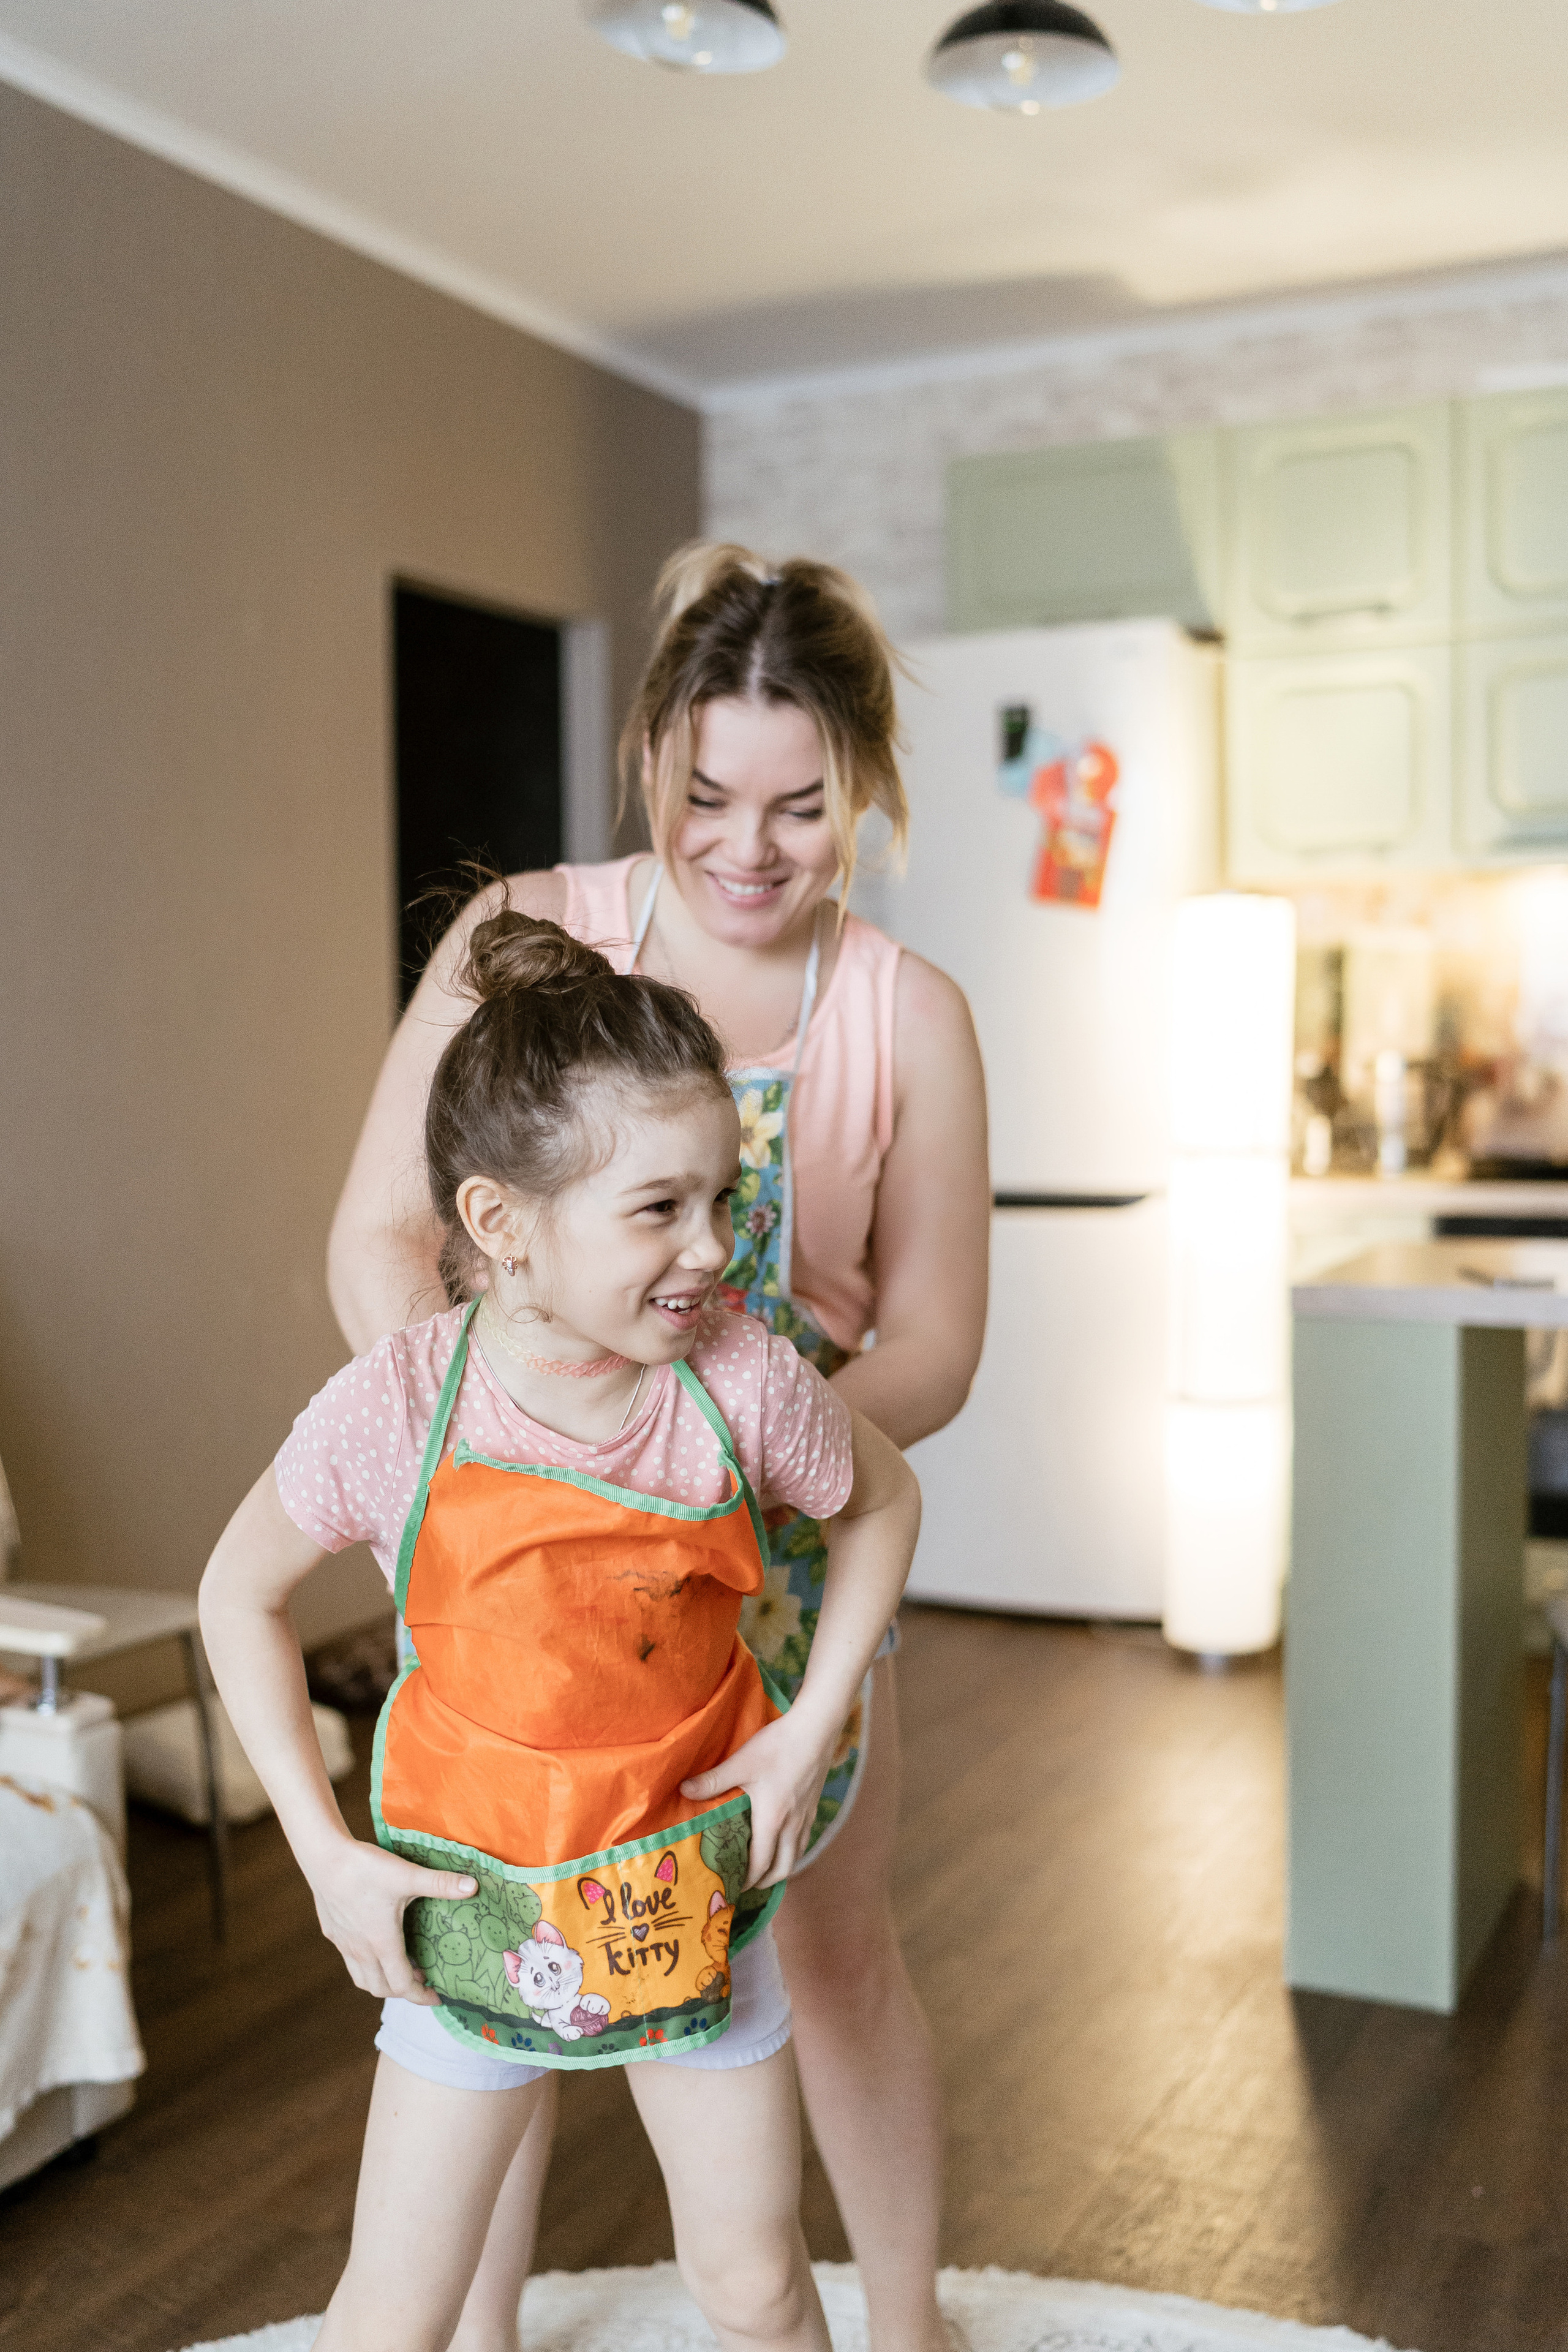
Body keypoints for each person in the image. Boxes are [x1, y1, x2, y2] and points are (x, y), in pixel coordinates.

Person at [329, 544, 991, 2352]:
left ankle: (914, 2324)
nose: (750, 846)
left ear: (862, 785)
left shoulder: (905, 1016)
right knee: (502, 1968)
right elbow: (384, 1234)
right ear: (647, 764)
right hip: (523, 1565)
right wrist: (491, 1456)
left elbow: (936, 1341)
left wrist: (753, 1425)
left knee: (830, 1959)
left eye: (800, 803)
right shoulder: (525, 937)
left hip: (781, 1564)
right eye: (707, 795)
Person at [200, 913, 922, 2352]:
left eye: (722, 1198)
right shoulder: (398, 1408)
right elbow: (237, 1593)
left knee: (757, 2289)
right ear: (499, 1224)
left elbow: (882, 1504)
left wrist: (800, 1739)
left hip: (689, 1891)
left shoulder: (743, 1382)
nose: (712, 1248)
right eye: (657, 1210)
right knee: (391, 2316)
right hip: (462, 1911)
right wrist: (323, 1857)